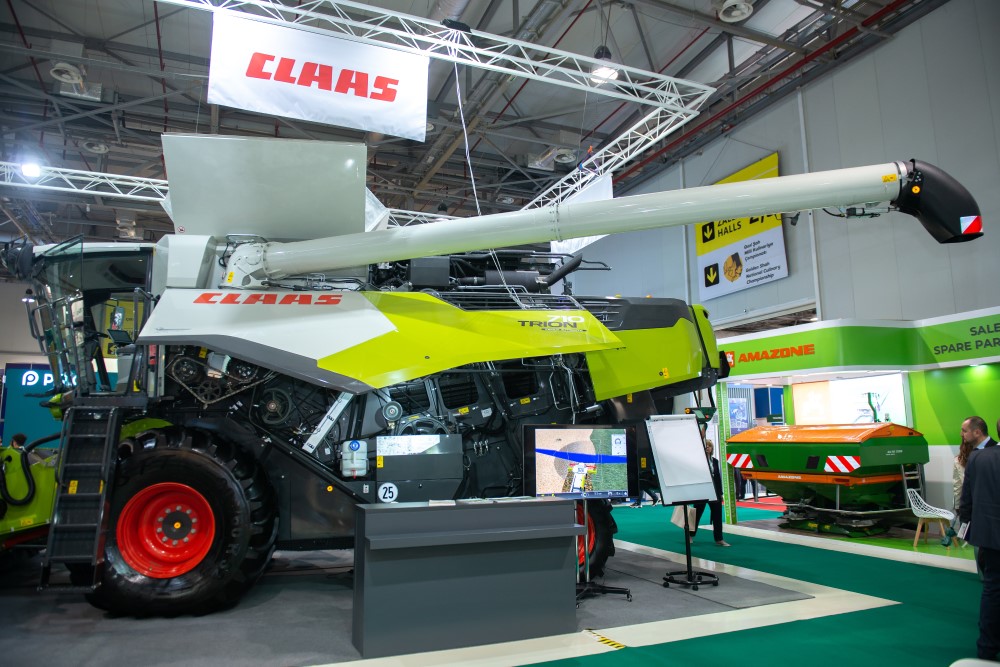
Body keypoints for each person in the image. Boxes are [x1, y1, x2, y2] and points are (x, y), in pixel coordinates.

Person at [959, 435, 1000, 660]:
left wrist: (966, 525)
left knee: (992, 591)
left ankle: (986, 649)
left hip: (991, 537)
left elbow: (967, 499)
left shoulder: (978, 458)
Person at [690, 439, 730, 547]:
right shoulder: (698, 461)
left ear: (712, 448)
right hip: (702, 491)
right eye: (706, 446)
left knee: (717, 515)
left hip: (715, 492)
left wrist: (720, 493)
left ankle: (719, 539)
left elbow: (718, 478)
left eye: (709, 446)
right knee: (697, 514)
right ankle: (690, 535)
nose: (707, 447)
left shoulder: (715, 461)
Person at [943, 433, 977, 546]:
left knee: (967, 526)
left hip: (966, 501)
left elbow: (957, 486)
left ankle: (966, 540)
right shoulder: (983, 457)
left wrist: (957, 505)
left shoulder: (958, 460)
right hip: (983, 500)